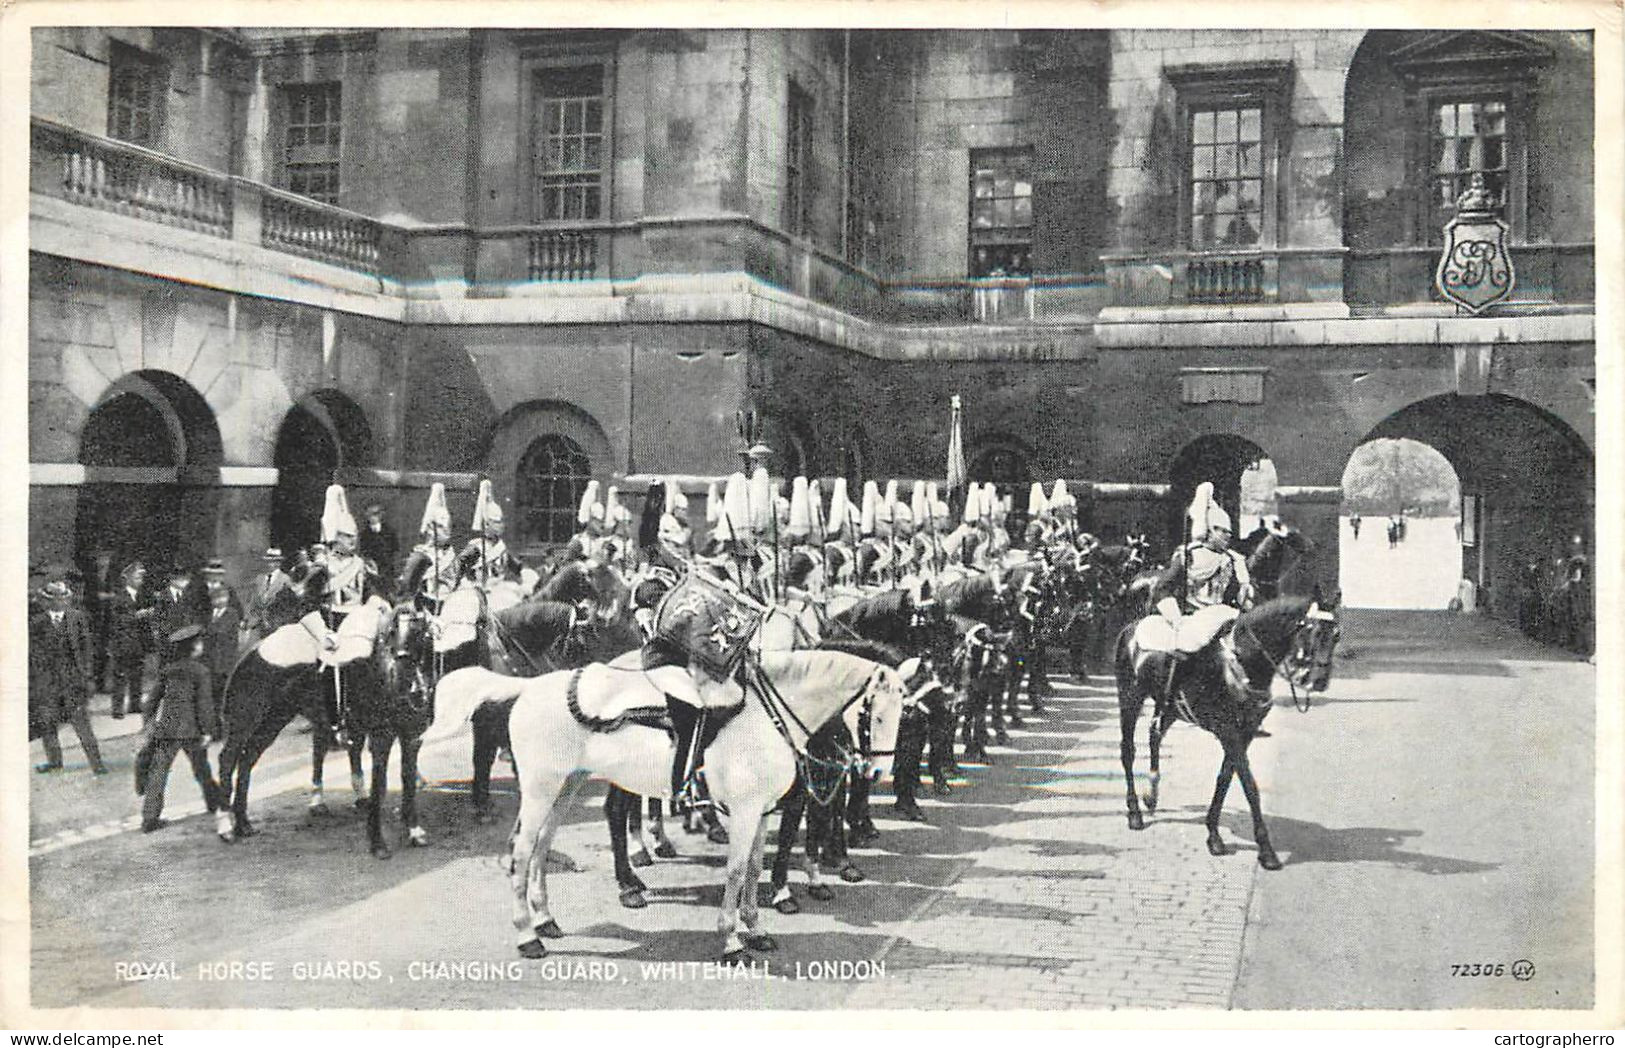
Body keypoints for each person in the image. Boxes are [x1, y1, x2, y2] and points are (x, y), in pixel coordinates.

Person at [137, 625, 223, 833]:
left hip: (167, 729)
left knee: (159, 771)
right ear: (194, 647)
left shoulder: (168, 671)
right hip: (192, 730)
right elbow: (204, 704)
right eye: (199, 643)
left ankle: (149, 818)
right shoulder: (200, 671)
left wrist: (148, 722)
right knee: (201, 768)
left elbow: (152, 700)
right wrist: (209, 730)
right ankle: (215, 803)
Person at [30, 579, 108, 775]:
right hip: (48, 684)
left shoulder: (77, 618)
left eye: (64, 598)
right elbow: (33, 655)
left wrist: (87, 676)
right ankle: (54, 762)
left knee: (82, 724)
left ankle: (97, 763)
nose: (61, 602)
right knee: (48, 724)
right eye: (55, 599)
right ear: (47, 601)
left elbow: (87, 649)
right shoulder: (36, 623)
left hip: (74, 682)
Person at [398, 483, 460, 612]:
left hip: (450, 604)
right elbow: (407, 588)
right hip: (425, 607)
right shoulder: (420, 557)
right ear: (431, 529)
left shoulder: (449, 553)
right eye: (442, 527)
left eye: (448, 526)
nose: (447, 531)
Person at [106, 561, 154, 719]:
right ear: (127, 579)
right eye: (137, 577)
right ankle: (118, 708)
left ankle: (135, 704)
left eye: (141, 578)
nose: (140, 581)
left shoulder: (141, 596)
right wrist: (138, 615)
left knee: (137, 674)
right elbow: (115, 620)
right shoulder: (118, 597)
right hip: (122, 643)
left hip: (138, 643)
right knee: (120, 676)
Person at [460, 480, 518, 589]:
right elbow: (459, 567)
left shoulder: (501, 546)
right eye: (496, 522)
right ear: (487, 524)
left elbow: (515, 566)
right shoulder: (475, 547)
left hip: (499, 588)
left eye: (500, 522)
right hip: (478, 589)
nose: (500, 526)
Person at [203, 582, 242, 736]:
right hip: (213, 663)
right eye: (216, 599)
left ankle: (231, 729)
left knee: (227, 697)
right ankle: (217, 730)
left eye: (222, 597)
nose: (219, 601)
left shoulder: (231, 613)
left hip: (226, 662)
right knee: (214, 698)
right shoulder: (210, 615)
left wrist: (208, 631)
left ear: (227, 598)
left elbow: (220, 631)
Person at [240, 548, 293, 645]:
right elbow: (251, 600)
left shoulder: (285, 579)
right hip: (257, 623)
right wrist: (246, 618)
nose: (270, 564)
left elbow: (288, 605)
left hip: (275, 623)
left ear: (279, 562)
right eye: (268, 561)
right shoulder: (259, 578)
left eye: (273, 561)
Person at [358, 503, 399, 579]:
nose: (373, 517)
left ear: (381, 515)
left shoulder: (389, 531)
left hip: (388, 568)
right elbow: (363, 552)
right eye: (369, 515)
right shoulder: (364, 534)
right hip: (372, 568)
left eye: (375, 514)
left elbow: (395, 548)